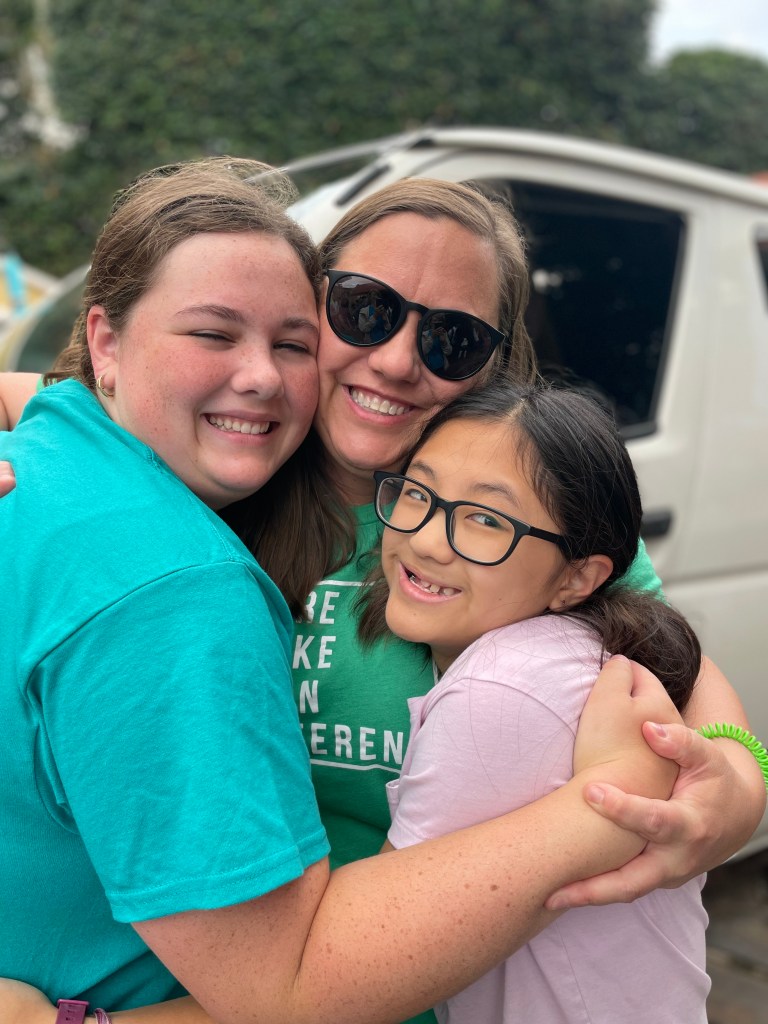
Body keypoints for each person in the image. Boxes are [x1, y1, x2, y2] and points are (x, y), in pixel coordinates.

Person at [0, 175, 763, 1024]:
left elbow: (678, 673)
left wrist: (737, 785)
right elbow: (87, 386)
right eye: (365, 311)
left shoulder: (523, 535)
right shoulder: (227, 461)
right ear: (312, 305)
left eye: (451, 339)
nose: (398, 359)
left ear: (493, 363)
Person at [365, 380, 709, 1022]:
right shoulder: (579, 653)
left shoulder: (506, 686)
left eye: (486, 520)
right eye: (418, 492)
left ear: (577, 577)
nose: (428, 540)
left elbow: (360, 961)